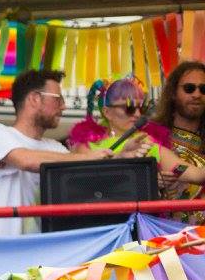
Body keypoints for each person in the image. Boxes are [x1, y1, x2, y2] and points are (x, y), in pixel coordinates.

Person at [0, 69, 112, 237]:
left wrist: (122, 157)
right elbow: (26, 160)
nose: (64, 106)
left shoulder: (54, 148)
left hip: (41, 247)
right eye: (58, 99)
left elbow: (85, 173)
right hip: (2, 248)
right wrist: (84, 157)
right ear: (35, 98)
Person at [67, 77, 205, 188]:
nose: (138, 114)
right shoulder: (87, 146)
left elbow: (194, 174)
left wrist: (155, 180)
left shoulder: (146, 142)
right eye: (130, 108)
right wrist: (146, 180)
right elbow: (82, 183)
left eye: (141, 108)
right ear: (107, 112)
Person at [154, 60, 205, 223]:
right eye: (189, 88)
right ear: (173, 93)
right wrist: (150, 182)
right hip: (159, 232)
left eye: (203, 89)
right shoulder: (150, 138)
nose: (197, 94)